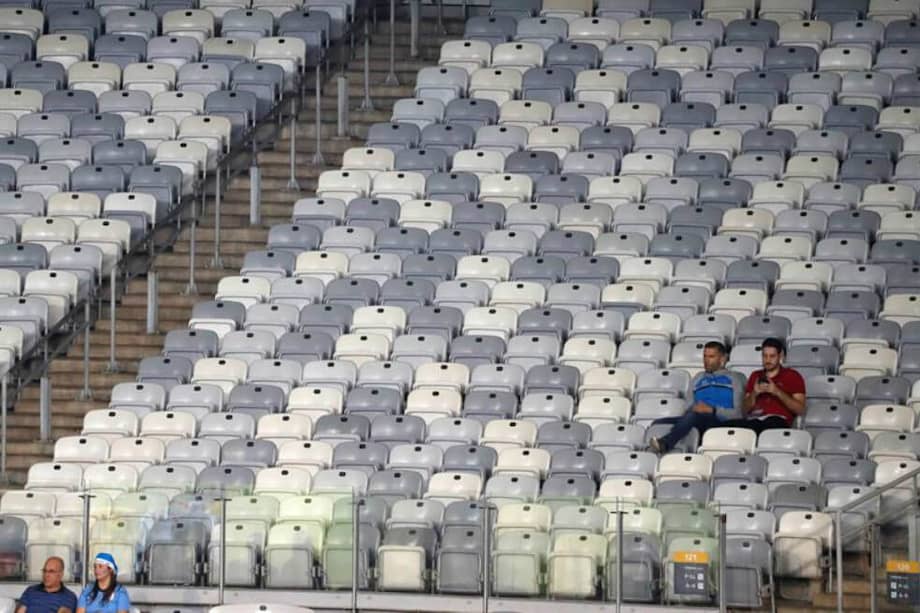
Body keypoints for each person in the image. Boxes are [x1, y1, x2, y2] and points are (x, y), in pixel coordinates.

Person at [648, 341, 746, 453]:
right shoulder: (698, 378)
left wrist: (712, 410)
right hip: (695, 417)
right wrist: (693, 408)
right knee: (657, 424)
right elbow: (687, 408)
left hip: (718, 421)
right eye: (704, 356)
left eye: (711, 357)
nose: (706, 360)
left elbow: (738, 414)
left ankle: (665, 443)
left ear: (722, 359)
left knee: (693, 416)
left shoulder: (735, 379)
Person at [721, 337, 807, 434]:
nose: (768, 360)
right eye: (765, 356)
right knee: (722, 427)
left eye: (772, 356)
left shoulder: (792, 375)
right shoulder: (755, 376)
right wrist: (754, 393)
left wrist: (777, 391)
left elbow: (801, 410)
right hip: (754, 420)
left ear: (781, 356)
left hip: (778, 421)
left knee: (766, 424)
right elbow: (744, 410)